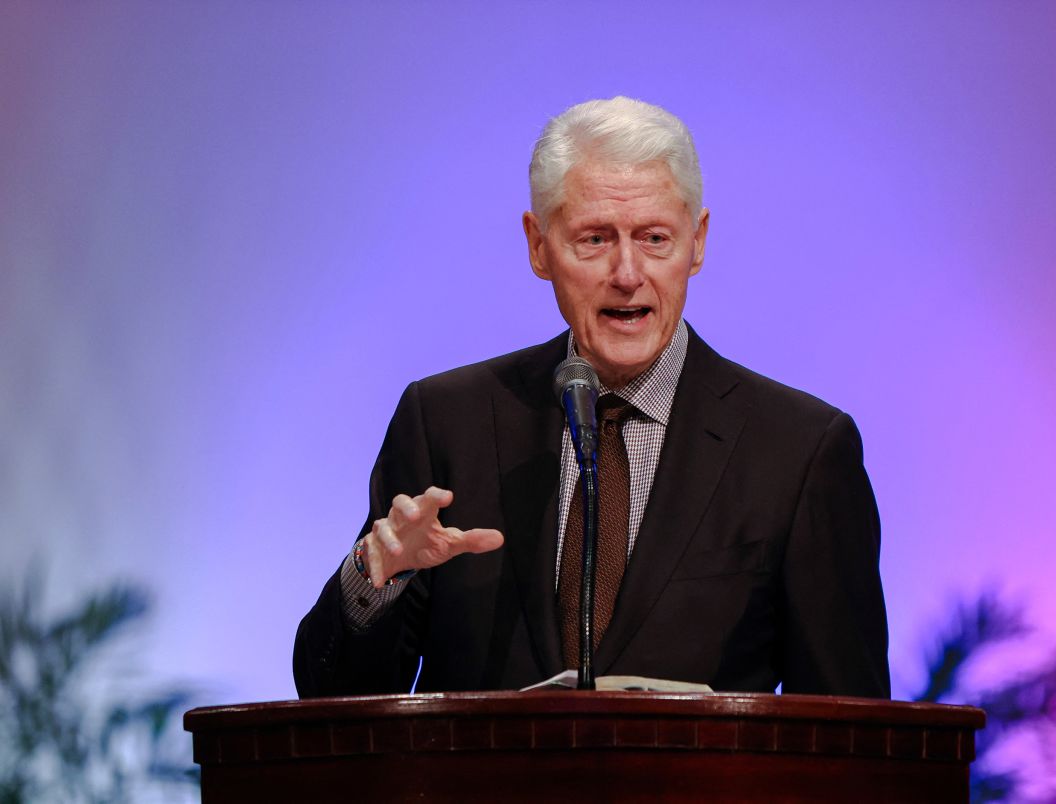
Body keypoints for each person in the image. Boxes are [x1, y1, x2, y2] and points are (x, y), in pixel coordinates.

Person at [293, 97, 889, 698]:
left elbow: (851, 728)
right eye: (595, 238)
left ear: (698, 242)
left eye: (655, 238)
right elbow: (330, 700)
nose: (627, 273)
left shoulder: (800, 451)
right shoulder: (447, 422)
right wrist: (377, 577)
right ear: (538, 245)